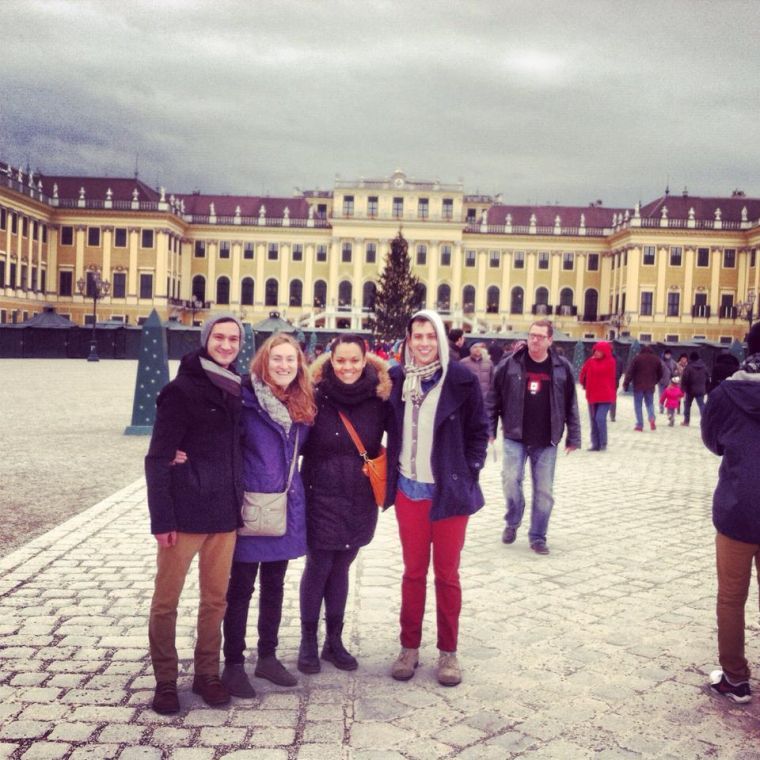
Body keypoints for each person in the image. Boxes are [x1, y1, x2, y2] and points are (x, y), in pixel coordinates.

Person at [145, 312, 244, 715]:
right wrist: (162, 519)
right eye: (218, 338)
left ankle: (207, 673)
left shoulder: (238, 387)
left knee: (215, 600)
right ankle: (166, 680)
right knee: (166, 600)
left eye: (233, 339)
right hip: (185, 513)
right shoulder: (180, 390)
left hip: (224, 513)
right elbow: (156, 458)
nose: (225, 345)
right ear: (206, 340)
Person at [386, 310, 488, 687]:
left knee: (446, 575)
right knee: (413, 573)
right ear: (409, 340)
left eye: (431, 336)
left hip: (448, 493)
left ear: (441, 340)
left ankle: (448, 651)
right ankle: (408, 646)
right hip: (409, 489)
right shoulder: (397, 379)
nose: (424, 342)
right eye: (418, 336)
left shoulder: (460, 379)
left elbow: (480, 429)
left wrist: (468, 470)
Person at [220, 334, 316, 698]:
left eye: (290, 360)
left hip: (284, 504)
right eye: (277, 359)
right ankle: (232, 663)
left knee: (274, 585)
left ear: (299, 364)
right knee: (241, 587)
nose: (283, 366)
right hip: (251, 504)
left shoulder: (303, 401)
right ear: (264, 361)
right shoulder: (243, 399)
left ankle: (268, 656)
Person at [297, 335, 391, 674]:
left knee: (342, 567)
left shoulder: (379, 398)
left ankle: (333, 641)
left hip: (359, 497)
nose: (347, 367)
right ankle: (308, 639)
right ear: (330, 361)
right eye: (341, 361)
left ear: (365, 360)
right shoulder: (313, 395)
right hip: (319, 493)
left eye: (354, 360)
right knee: (319, 565)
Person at [701, 322, 760, 704]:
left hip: (738, 509)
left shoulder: (726, 392)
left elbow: (712, 440)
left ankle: (735, 680)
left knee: (731, 598)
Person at [487, 319, 581, 555]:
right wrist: (489, 429)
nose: (534, 340)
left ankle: (538, 536)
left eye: (540, 336)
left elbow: (571, 403)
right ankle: (513, 519)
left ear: (550, 340)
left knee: (544, 492)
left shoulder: (562, 367)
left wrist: (574, 436)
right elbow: (493, 398)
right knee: (510, 480)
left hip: (547, 439)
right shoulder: (510, 364)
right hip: (514, 435)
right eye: (532, 335)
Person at [578, 341, 616, 451]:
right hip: (592, 395)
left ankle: (603, 442)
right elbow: (583, 372)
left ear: (605, 352)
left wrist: (593, 364)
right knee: (593, 420)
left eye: (599, 351)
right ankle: (595, 444)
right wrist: (583, 382)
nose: (596, 353)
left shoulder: (610, 362)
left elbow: (602, 371)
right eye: (595, 351)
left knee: (600, 418)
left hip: (605, 395)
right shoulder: (590, 361)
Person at [623, 345, 663, 431]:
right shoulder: (656, 359)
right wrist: (655, 381)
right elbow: (661, 373)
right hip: (650, 386)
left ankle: (640, 425)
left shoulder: (637, 358)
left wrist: (626, 383)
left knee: (638, 405)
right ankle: (651, 417)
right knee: (649, 404)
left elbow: (630, 372)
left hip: (638, 385)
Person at [681, 351, 710, 426]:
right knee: (701, 405)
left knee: (687, 405)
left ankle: (686, 421)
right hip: (701, 389)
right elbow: (707, 379)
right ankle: (705, 421)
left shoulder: (689, 367)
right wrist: (706, 388)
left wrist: (683, 388)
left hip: (690, 389)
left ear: (690, 358)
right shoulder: (704, 367)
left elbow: (685, 379)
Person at [658, 349, 679, 413]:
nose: (668, 355)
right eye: (666, 354)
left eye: (669, 354)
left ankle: (669, 409)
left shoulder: (673, 362)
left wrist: (676, 373)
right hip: (661, 382)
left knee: (669, 397)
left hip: (669, 382)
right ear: (664, 354)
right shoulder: (660, 362)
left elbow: (676, 370)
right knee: (661, 396)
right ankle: (661, 409)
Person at [609, 347, 625, 422]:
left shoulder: (606, 359)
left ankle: (602, 413)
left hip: (606, 380)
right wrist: (617, 377)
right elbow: (621, 371)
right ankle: (613, 416)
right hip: (615, 381)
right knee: (613, 398)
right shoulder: (619, 359)